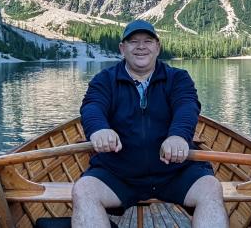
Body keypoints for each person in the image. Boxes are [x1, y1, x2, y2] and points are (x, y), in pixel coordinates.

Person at [71, 20, 227, 227]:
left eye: (148, 41)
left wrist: (178, 136)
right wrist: (99, 129)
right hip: (119, 173)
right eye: (133, 41)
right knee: (84, 190)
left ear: (157, 46)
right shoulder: (104, 80)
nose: (141, 46)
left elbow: (187, 106)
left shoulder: (178, 78)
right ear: (122, 48)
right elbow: (92, 106)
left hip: (175, 172)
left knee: (211, 188)